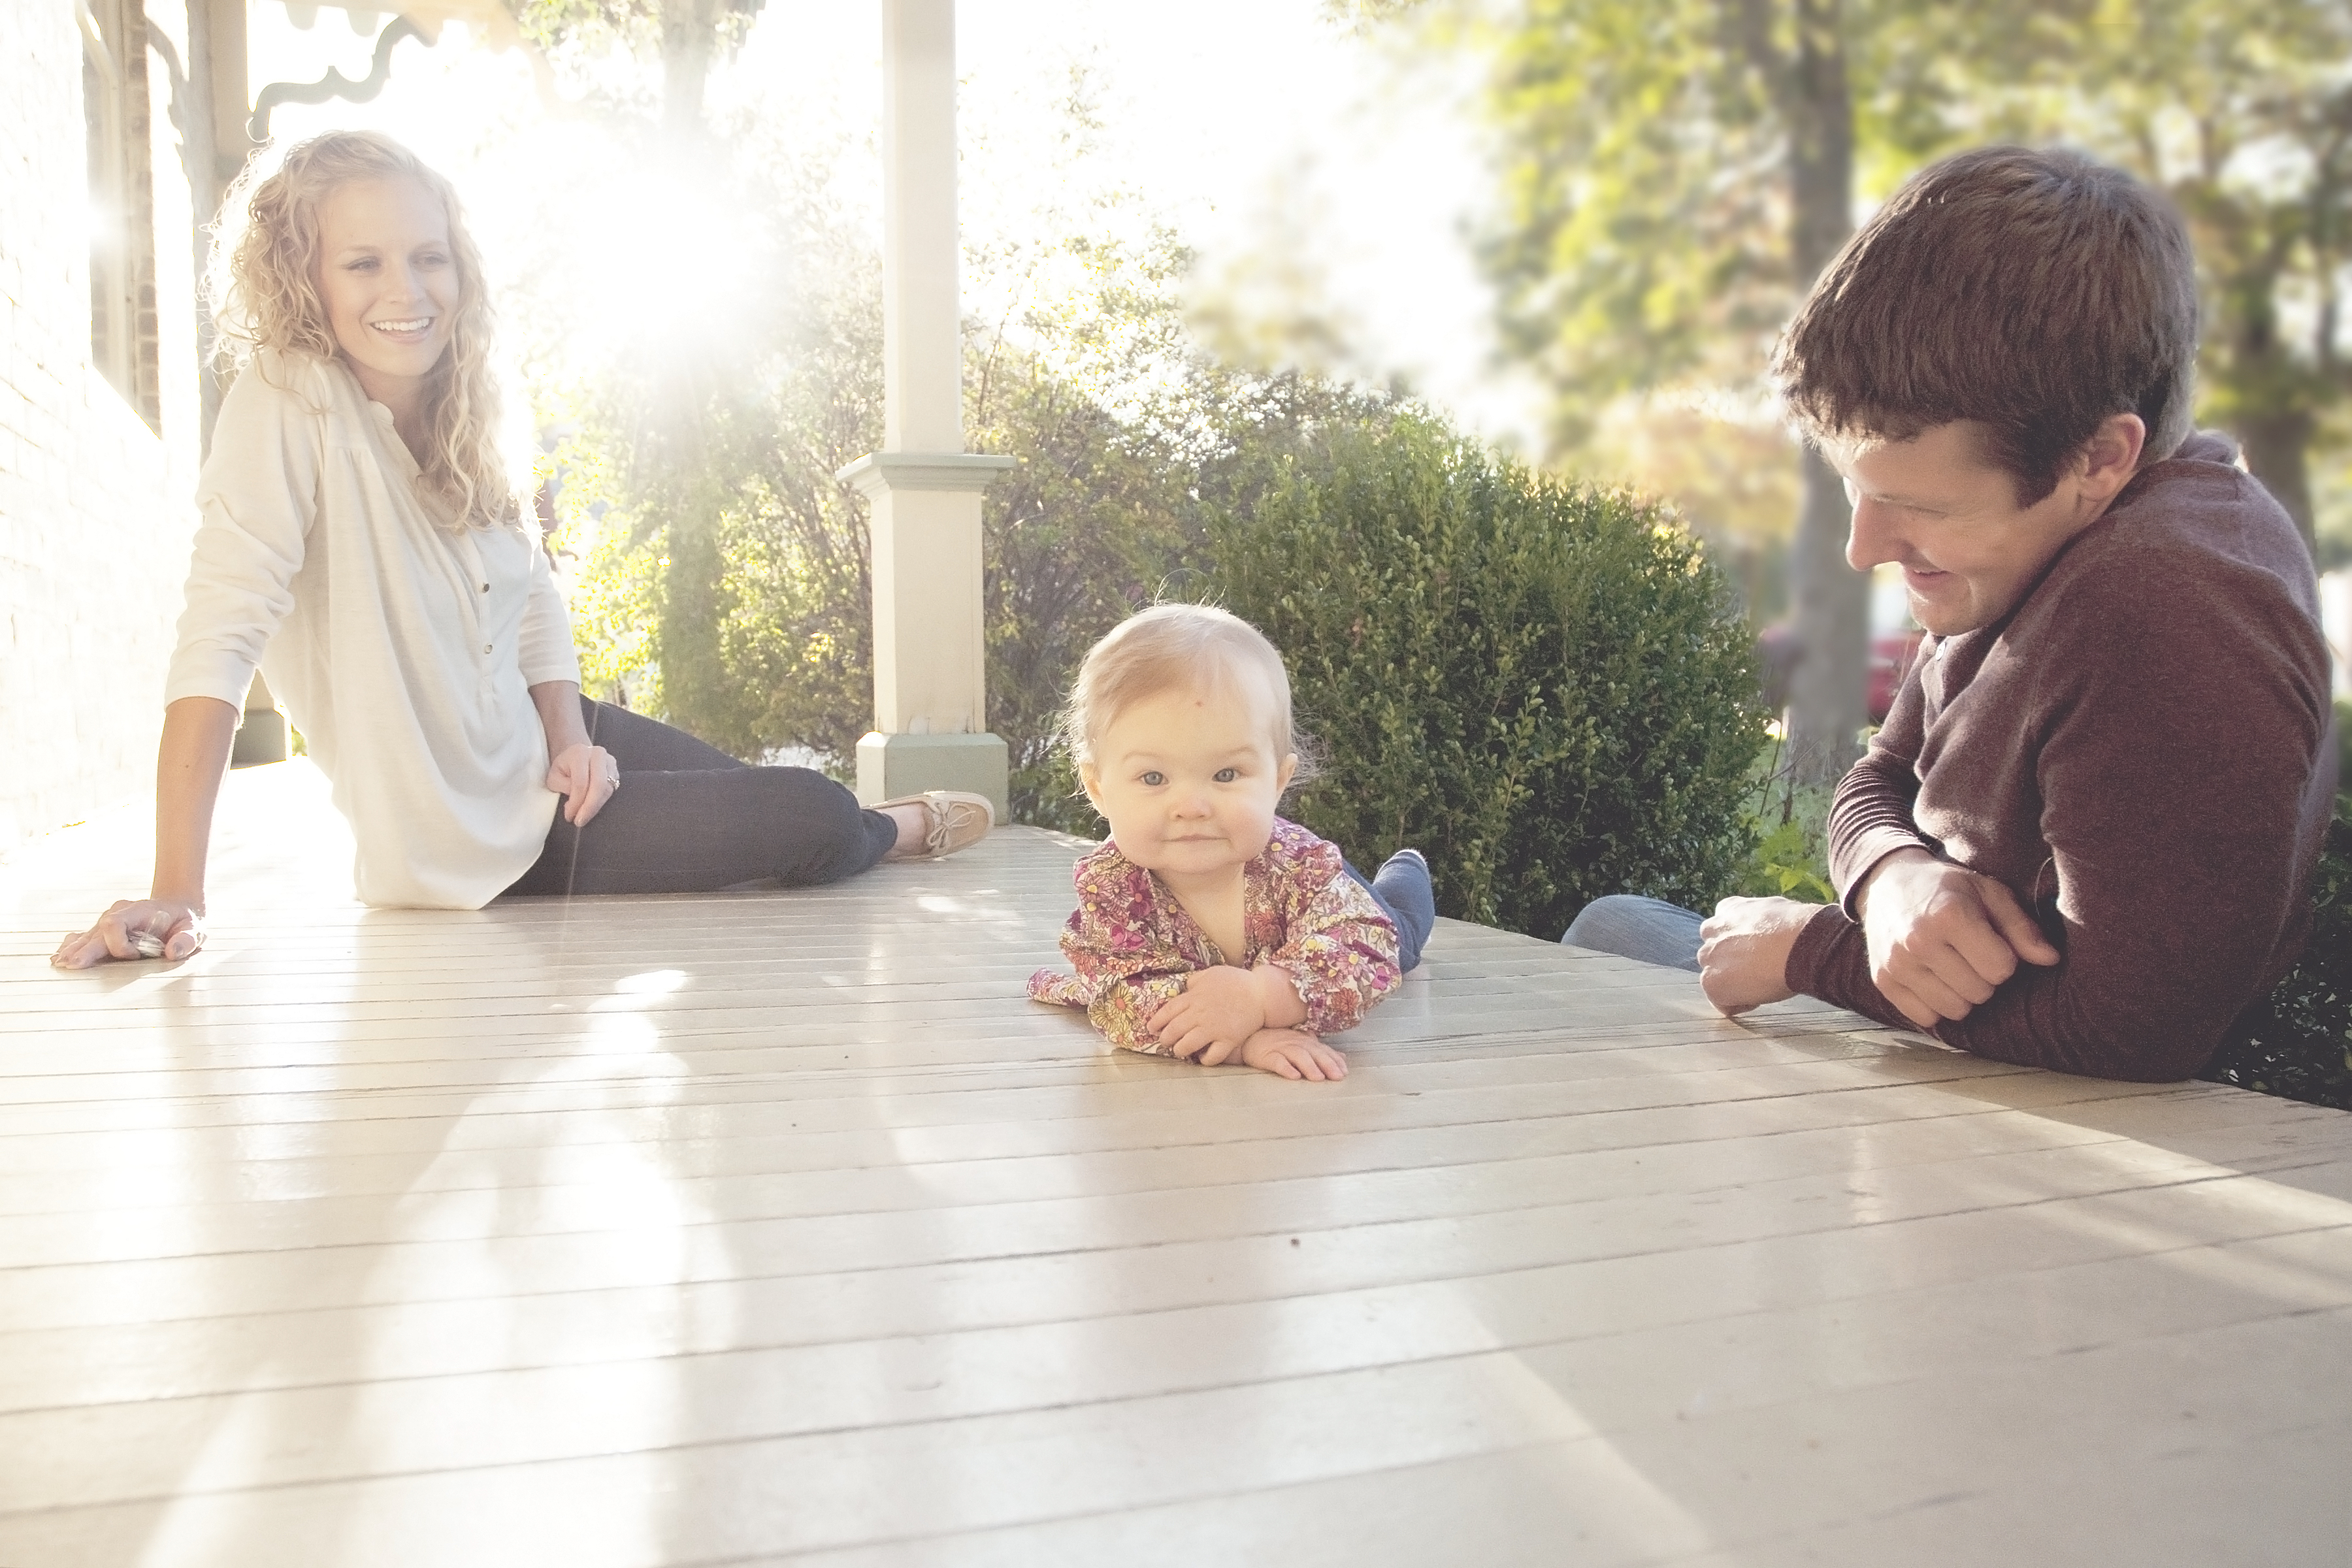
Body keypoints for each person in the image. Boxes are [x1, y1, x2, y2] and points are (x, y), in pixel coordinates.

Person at [52, 131, 988, 970]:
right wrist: (178, 887)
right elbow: (220, 638)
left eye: (429, 258)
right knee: (811, 816)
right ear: (305, 275)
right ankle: (895, 830)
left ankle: (836, 822)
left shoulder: (471, 408)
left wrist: (574, 741)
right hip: (486, 839)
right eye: (364, 263)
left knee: (762, 796)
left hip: (547, 740)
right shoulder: (287, 401)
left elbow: (532, 594)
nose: (406, 291)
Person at [1566, 145, 2338, 1083]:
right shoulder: (2019, 548)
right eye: (1857, 488)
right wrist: (1894, 879)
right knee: (1613, 925)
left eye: (1918, 506)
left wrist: (1810, 952)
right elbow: (1879, 774)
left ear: (2100, 459)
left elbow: (2139, 1032)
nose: (1865, 548)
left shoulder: (2167, 603)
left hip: (2052, 1102)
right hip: (1931, 1017)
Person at [1028, 604, 1437, 1081]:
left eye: (1226, 774)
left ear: (1277, 782)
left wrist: (1263, 998)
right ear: (1099, 789)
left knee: (1402, 940)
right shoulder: (1112, 889)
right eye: (1153, 777)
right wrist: (1242, 1041)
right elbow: (1121, 995)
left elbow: (1367, 950)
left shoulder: (1301, 867)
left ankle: (1406, 875)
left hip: (1325, 889)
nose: (1191, 806)